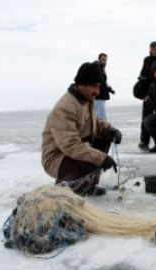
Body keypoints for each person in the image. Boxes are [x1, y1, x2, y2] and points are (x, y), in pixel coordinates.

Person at [42, 61, 122, 196]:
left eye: (99, 87)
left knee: (105, 136)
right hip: (57, 158)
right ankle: (67, 185)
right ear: (81, 84)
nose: (97, 91)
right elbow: (71, 146)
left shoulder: (86, 99)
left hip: (74, 150)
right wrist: (100, 158)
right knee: (92, 159)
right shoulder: (65, 108)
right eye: (94, 86)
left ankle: (88, 185)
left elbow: (96, 122)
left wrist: (111, 130)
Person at [95, 53, 115, 120]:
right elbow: (98, 83)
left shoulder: (102, 69)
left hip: (101, 97)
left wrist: (110, 89)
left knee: (101, 118)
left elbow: (104, 83)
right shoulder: (97, 69)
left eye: (106, 60)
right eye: (103, 60)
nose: (104, 62)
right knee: (100, 118)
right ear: (99, 59)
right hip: (98, 97)